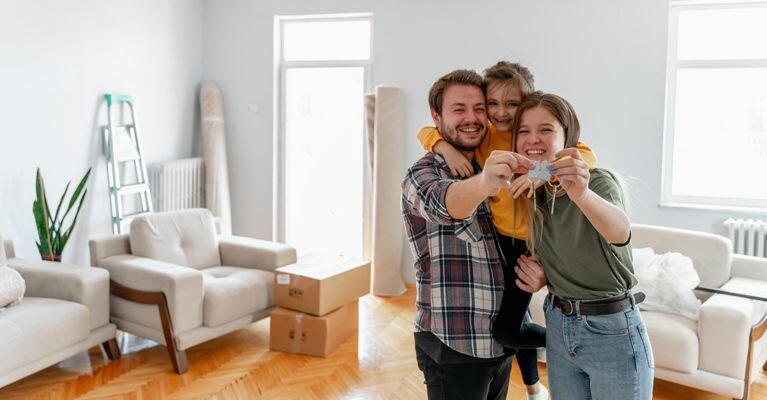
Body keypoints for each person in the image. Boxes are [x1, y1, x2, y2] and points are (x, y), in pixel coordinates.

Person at [417, 61, 598, 400]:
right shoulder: (484, 138)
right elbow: (427, 131)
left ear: (526, 103)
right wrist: (444, 147)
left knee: (508, 328)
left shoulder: (531, 136)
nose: (501, 113)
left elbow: (586, 155)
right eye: (493, 104)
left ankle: (570, 342)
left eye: (512, 104)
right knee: (512, 318)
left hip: (528, 243)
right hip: (499, 239)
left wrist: (541, 172)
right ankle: (533, 385)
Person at [402, 69, 547, 400]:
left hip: (498, 346)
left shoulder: (492, 160)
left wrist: (541, 274)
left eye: (479, 108)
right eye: (459, 109)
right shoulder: (422, 174)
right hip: (454, 346)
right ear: (436, 118)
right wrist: (483, 183)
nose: (473, 118)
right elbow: (445, 204)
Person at [512, 91, 654, 399]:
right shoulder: (535, 196)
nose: (532, 139)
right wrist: (545, 276)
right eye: (524, 131)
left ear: (568, 137)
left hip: (612, 331)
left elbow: (620, 233)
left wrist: (581, 194)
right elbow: (564, 252)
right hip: (559, 324)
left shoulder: (597, 181)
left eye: (545, 130)